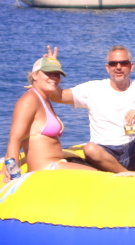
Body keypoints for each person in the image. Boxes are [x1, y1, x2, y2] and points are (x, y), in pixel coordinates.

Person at [50, 45, 135, 173]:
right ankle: (127, 175)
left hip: (132, 149)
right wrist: (52, 70)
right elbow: (58, 96)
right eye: (113, 64)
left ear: (131, 66)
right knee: (90, 149)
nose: (118, 67)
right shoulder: (93, 88)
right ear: (107, 68)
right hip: (105, 152)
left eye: (123, 63)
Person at [2, 55, 95, 183]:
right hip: (46, 169)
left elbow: (60, 95)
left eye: (57, 74)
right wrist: (12, 172)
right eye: (48, 73)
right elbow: (15, 138)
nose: (54, 78)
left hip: (57, 164)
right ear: (34, 75)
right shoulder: (29, 100)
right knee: (101, 177)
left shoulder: (44, 99)